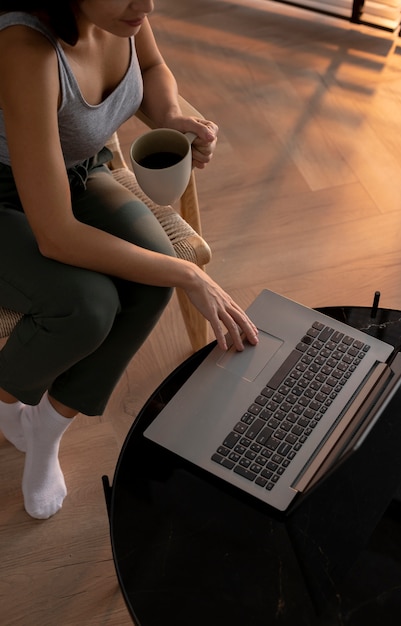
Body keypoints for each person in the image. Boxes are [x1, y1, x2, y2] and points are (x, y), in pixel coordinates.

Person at [0, 1, 259, 520]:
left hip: (79, 171)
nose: (147, 5)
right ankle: (7, 398)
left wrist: (169, 115)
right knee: (88, 306)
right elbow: (56, 236)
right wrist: (189, 273)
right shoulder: (26, 49)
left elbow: (153, 68)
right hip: (7, 196)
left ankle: (47, 430)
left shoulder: (122, 14)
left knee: (149, 277)